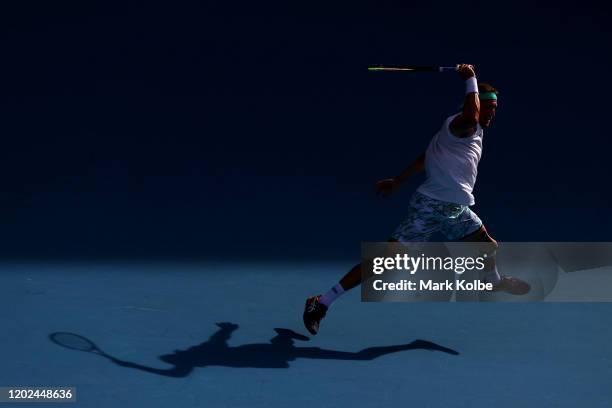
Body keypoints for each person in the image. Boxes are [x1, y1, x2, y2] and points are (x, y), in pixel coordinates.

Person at [303, 64, 530, 335]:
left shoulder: (468, 134)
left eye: (495, 109)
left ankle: (493, 281)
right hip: (429, 209)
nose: (491, 113)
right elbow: (471, 114)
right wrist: (470, 78)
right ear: (475, 103)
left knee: (488, 247)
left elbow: (426, 156)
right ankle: (321, 302)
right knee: (384, 263)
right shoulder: (461, 124)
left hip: (457, 210)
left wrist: (398, 180)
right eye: (487, 107)